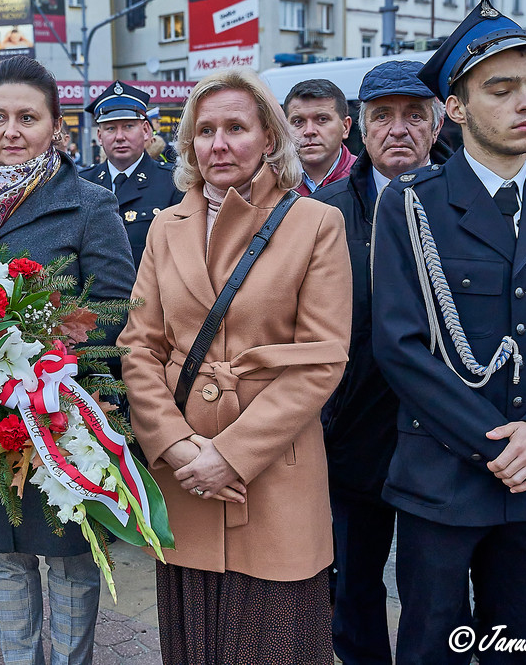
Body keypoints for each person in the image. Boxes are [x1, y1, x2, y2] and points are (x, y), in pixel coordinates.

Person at [371, 0, 526, 664]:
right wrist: (499, 445)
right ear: (454, 107)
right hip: (442, 484)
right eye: (502, 89)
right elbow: (400, 344)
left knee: (522, 648)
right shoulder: (412, 204)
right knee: (430, 647)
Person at [119, 68, 352, 664]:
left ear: (270, 138)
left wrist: (230, 455)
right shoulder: (164, 229)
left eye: (235, 128)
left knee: (273, 644)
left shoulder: (316, 224)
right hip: (186, 474)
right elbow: (139, 347)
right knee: (193, 643)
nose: (217, 143)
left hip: (273, 472)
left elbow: (321, 361)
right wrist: (176, 446)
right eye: (205, 130)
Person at [0, 56, 135, 665]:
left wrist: (36, 339)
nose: (12, 131)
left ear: (57, 125)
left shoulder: (88, 204)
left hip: (62, 412)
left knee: (70, 553)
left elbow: (118, 306)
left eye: (28, 117)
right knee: (3, 554)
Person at [311, 59, 446, 665]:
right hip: (351, 433)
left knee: (434, 590)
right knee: (353, 584)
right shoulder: (324, 214)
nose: (399, 129)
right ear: (360, 128)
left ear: (438, 123)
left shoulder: (461, 202)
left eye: (415, 116)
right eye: (383, 116)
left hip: (441, 435)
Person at [80, 81, 183, 271]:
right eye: (110, 128)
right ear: (100, 136)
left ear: (145, 131)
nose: (119, 137)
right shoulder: (81, 183)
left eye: (128, 126)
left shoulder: (173, 183)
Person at [284, 78, 356, 195]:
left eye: (322, 119)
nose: (309, 131)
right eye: (298, 121)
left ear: (345, 127)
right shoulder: (271, 181)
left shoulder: (367, 178)